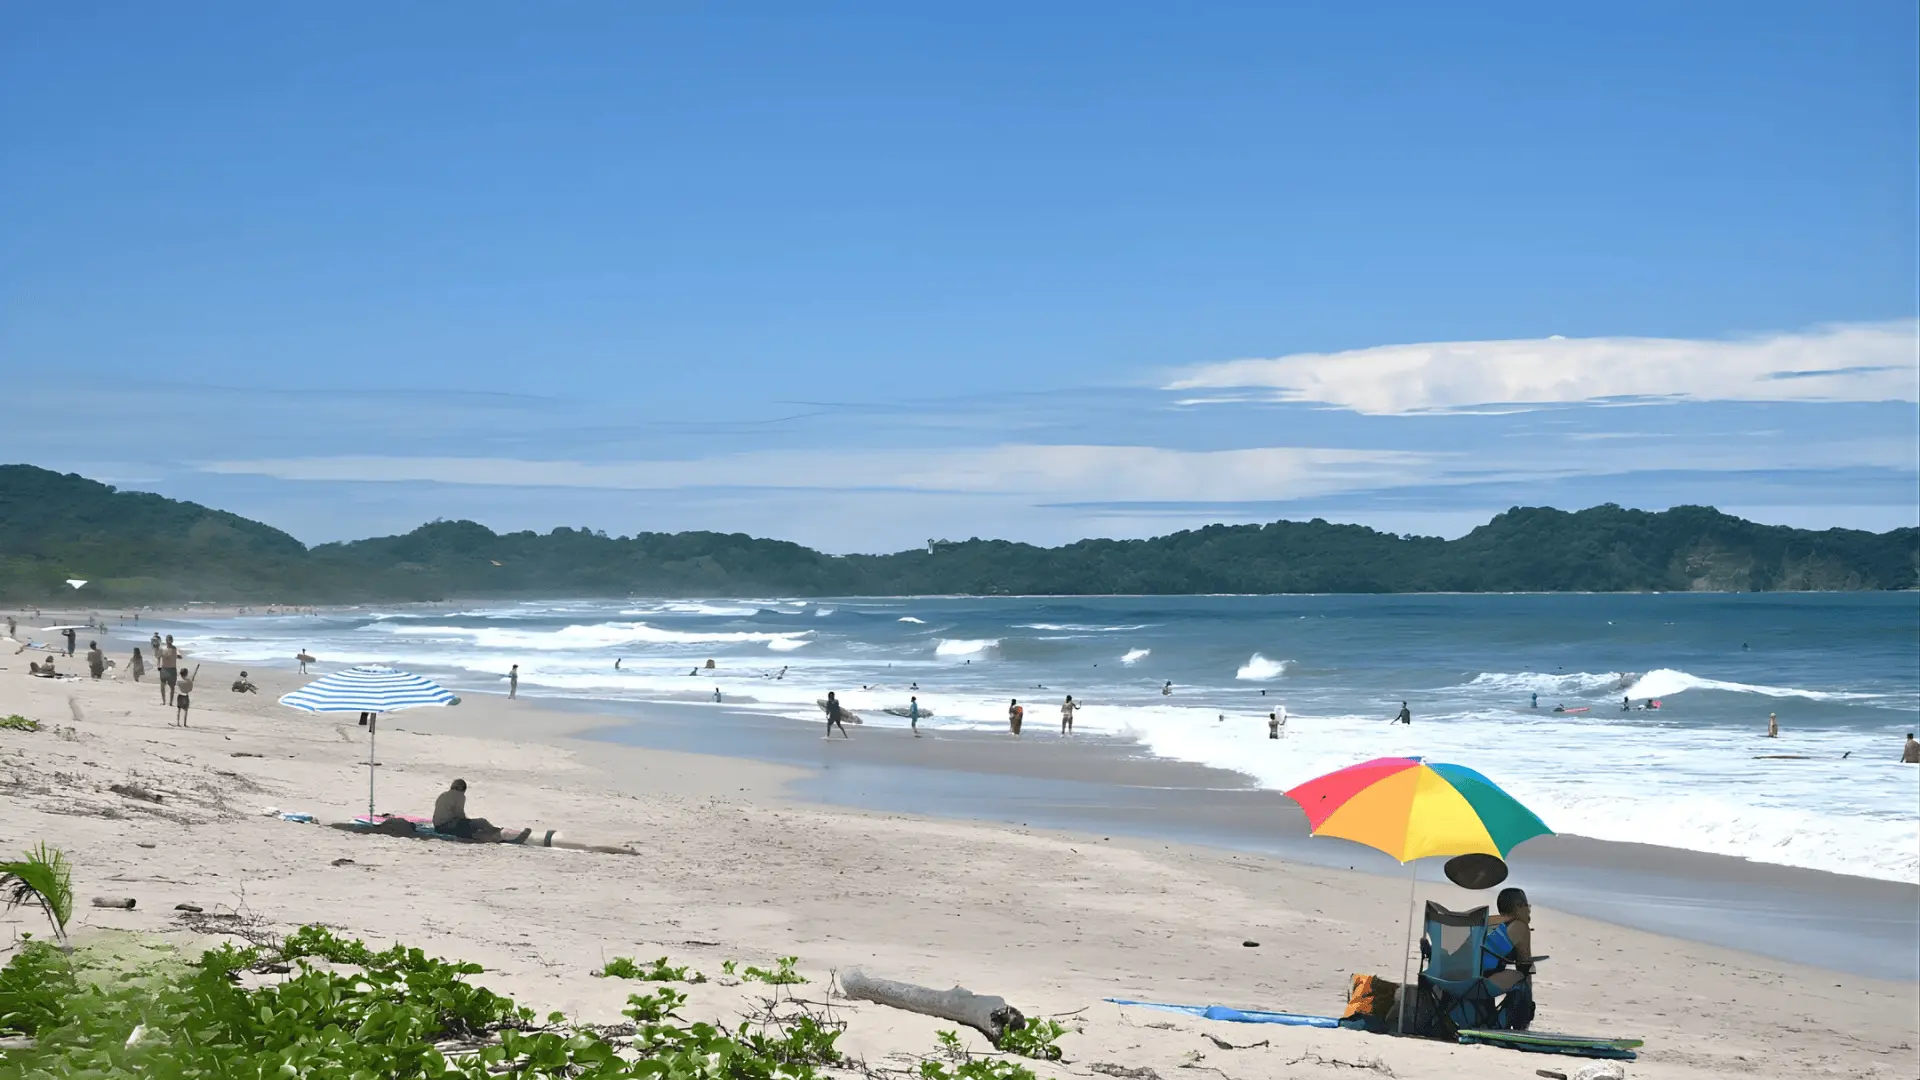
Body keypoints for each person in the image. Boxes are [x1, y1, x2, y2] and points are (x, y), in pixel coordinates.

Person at [1483, 887, 1536, 994]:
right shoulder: (1520, 927)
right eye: (1526, 905)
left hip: (1462, 978)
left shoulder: (1492, 925)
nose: (1529, 909)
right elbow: (1524, 964)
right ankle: (1523, 1010)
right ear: (1518, 907)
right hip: (1481, 982)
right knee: (1521, 976)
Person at [157, 635, 180, 705]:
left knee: (172, 687)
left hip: (172, 669)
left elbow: (179, 655)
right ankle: (164, 701)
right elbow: (158, 657)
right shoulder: (162, 649)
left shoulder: (175, 649)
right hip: (164, 669)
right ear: (166, 640)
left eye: (170, 640)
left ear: (172, 641)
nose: (169, 641)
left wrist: (178, 656)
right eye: (168, 640)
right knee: (162, 686)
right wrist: (158, 666)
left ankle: (170, 702)